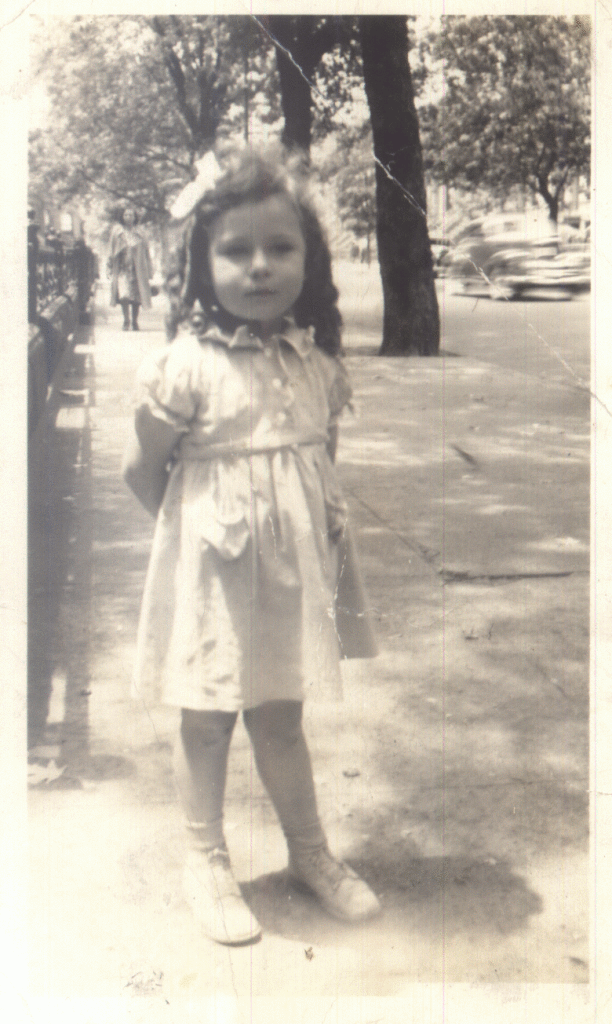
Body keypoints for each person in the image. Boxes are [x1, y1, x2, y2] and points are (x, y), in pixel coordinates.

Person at [122, 145, 380, 946]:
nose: (260, 266)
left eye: (281, 247)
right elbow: (143, 473)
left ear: (310, 257)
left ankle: (310, 853)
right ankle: (205, 863)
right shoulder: (184, 367)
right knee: (205, 722)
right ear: (202, 264)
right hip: (211, 572)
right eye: (236, 250)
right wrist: (195, 543)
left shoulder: (317, 364)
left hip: (289, 579)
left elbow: (317, 465)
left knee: (281, 716)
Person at [108, 205, 152, 330]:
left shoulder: (140, 232)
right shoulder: (117, 232)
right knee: (124, 296)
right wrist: (109, 265)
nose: (128, 217)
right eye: (126, 215)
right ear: (122, 217)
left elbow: (146, 251)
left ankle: (135, 321)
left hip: (137, 268)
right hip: (122, 268)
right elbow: (111, 249)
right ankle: (126, 321)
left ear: (135, 217)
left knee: (137, 297)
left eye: (131, 215)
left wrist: (149, 269)